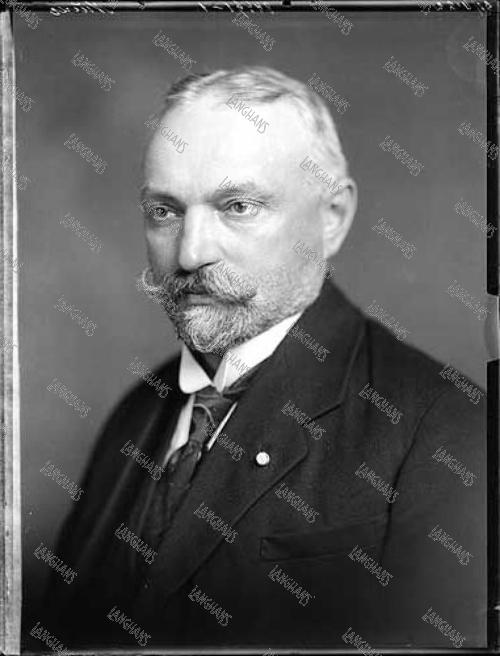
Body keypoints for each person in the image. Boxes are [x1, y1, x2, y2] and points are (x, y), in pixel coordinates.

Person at [45, 66, 485, 650]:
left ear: (332, 218)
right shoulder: (137, 413)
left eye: (237, 206)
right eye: (165, 211)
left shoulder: (446, 429)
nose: (191, 253)